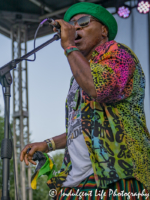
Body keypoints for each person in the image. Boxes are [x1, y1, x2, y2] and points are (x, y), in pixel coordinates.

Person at [20, 2, 150, 199]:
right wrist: (49, 144)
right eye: (72, 24)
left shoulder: (119, 54)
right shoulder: (78, 78)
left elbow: (98, 88)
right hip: (75, 180)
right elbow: (84, 127)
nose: (76, 27)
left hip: (116, 173)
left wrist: (69, 46)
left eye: (83, 22)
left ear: (104, 30)